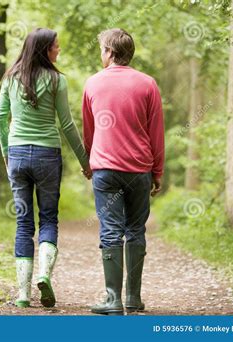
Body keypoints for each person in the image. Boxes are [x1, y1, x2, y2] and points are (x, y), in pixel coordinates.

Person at [0, 28, 92, 308]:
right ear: (44, 50)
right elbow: (68, 124)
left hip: (18, 156)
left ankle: (24, 294)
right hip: (48, 155)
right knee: (48, 219)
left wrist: (6, 153)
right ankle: (44, 274)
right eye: (55, 47)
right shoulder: (57, 80)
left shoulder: (10, 77)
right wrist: (86, 162)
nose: (58, 50)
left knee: (23, 223)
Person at [82, 28, 164, 315]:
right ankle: (133, 297)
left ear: (109, 51)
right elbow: (157, 133)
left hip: (105, 168)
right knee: (135, 231)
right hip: (139, 169)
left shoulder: (92, 83)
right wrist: (157, 172)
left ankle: (113, 299)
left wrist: (89, 164)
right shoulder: (148, 84)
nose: (101, 54)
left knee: (110, 232)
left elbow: (88, 132)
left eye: (102, 49)